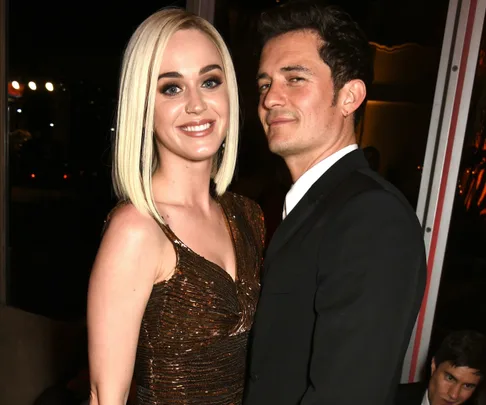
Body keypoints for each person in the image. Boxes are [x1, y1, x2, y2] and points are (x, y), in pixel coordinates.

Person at [244, 2, 427, 405]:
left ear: (350, 96)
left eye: (294, 79)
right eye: (264, 84)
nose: (271, 98)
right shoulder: (313, 206)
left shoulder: (372, 218)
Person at [87, 8, 265, 405]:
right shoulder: (136, 230)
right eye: (171, 88)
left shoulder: (249, 216)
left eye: (210, 81)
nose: (197, 104)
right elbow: (105, 397)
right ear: (143, 106)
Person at [396, 330, 486, 405]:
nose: (454, 395)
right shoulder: (389, 398)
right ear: (434, 366)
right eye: (450, 378)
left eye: (467, 386)